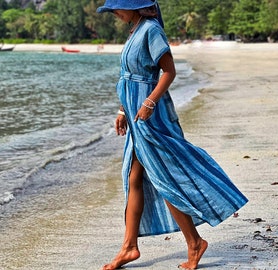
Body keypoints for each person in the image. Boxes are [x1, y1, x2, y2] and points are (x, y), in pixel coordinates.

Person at [96, 1, 248, 269]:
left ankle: (194, 243)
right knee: (134, 177)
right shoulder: (135, 29)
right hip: (135, 114)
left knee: (163, 176)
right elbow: (130, 76)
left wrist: (149, 103)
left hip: (151, 116)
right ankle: (130, 247)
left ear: (136, 6)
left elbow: (168, 71)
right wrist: (122, 110)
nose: (115, 13)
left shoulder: (151, 30)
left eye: (118, 8)